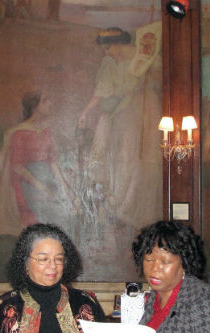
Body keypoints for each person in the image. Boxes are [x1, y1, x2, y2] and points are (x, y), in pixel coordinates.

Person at [77, 23, 163, 233]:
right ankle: (123, 207)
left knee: (146, 156)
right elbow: (102, 92)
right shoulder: (110, 63)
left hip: (146, 109)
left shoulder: (144, 57)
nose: (106, 53)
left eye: (108, 48)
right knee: (125, 156)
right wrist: (86, 112)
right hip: (126, 111)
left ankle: (139, 210)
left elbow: (159, 77)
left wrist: (148, 71)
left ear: (118, 44)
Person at [0, 91, 77, 236]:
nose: (50, 104)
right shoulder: (19, 132)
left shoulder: (46, 131)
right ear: (35, 107)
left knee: (70, 211)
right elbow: (17, 166)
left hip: (47, 178)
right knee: (43, 224)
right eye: (45, 101)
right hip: (27, 184)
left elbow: (53, 161)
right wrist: (42, 188)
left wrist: (64, 187)